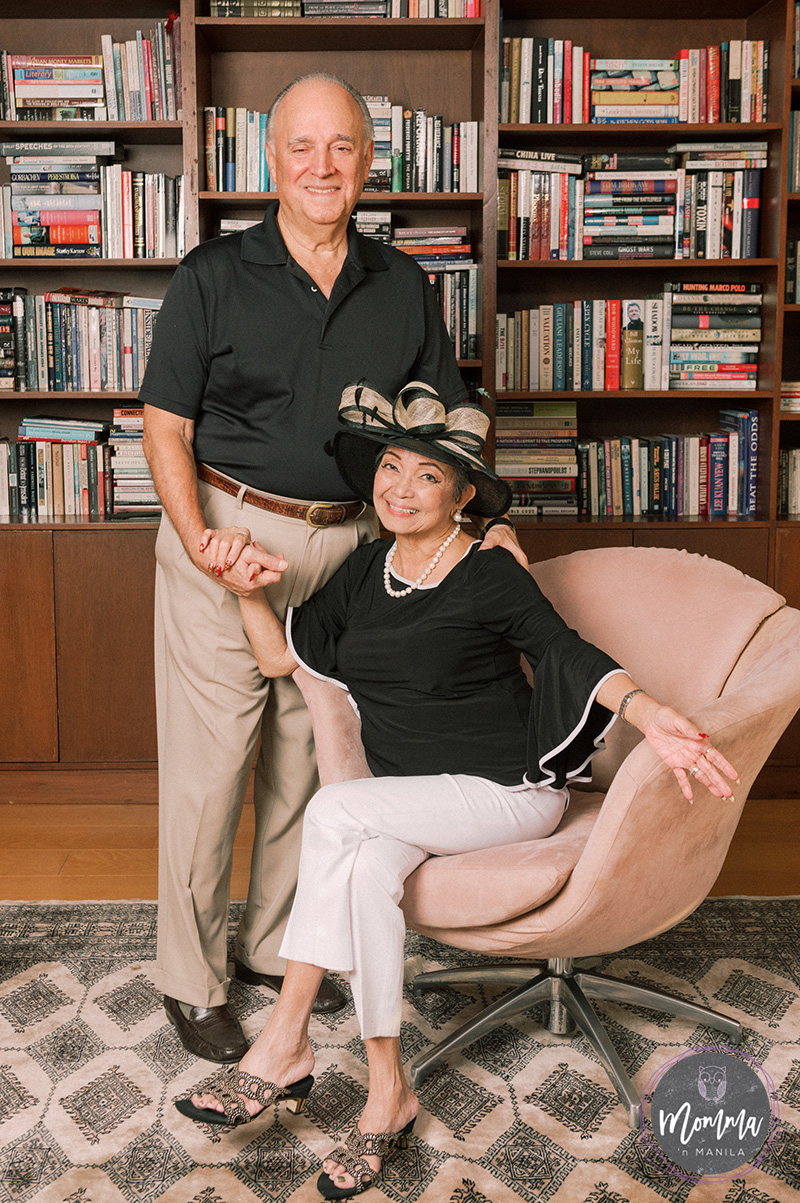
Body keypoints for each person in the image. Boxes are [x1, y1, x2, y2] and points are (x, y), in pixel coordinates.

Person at [174, 381, 740, 1200]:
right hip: (412, 797)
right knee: (363, 871)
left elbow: (565, 649)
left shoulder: (489, 572)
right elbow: (279, 660)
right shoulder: (364, 570)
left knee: (332, 809)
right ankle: (387, 1093)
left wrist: (652, 715)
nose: (401, 488)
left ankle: (284, 1042)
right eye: (390, 468)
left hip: (506, 792)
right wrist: (245, 590)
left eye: (428, 476)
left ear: (463, 495)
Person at [139, 72, 525, 1064]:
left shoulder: (402, 284)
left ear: (367, 162)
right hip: (228, 537)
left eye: (341, 146)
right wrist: (201, 540)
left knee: (310, 761)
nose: (322, 166)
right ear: (271, 160)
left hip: (354, 546)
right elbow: (165, 425)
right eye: (302, 147)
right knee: (209, 775)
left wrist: (488, 528)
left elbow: (445, 432)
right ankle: (190, 978)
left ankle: (273, 946)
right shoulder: (212, 274)